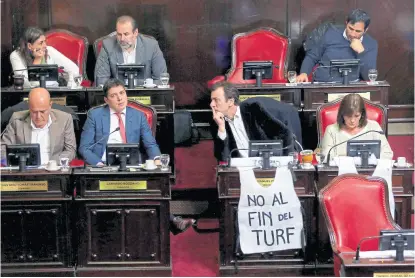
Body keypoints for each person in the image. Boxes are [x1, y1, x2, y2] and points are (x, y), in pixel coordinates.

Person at [79, 78, 194, 234]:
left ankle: (166, 223)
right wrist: (99, 165)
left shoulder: (138, 116)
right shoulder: (95, 115)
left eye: (122, 93)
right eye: (114, 95)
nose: (120, 98)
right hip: (103, 167)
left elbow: (150, 145)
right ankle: (172, 220)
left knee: (153, 187)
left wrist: (158, 160)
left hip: (131, 165)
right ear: (106, 99)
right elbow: (84, 148)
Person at [210, 81, 301, 162]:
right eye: (211, 100)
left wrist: (285, 164)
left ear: (230, 102)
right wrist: (221, 128)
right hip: (242, 171)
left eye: (216, 100)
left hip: (267, 165)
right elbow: (222, 158)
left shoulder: (253, 110)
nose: (212, 105)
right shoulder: (218, 121)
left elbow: (285, 134)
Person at [296, 9, 377, 83]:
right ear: (346, 23)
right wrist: (304, 73)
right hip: (324, 84)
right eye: (350, 28)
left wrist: (361, 52)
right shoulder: (330, 34)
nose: (353, 34)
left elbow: (368, 77)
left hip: (352, 88)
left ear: (365, 30)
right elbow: (312, 56)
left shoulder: (371, 44)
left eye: (358, 31)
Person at [1, 88, 77, 165]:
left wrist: (54, 164)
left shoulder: (65, 119)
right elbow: (2, 148)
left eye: (42, 111)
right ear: (29, 106)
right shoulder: (16, 119)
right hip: (25, 171)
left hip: (54, 171)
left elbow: (70, 150)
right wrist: (16, 162)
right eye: (34, 112)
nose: (38, 116)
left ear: (50, 105)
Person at [94, 15, 167, 86]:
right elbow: (101, 82)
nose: (122, 39)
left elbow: (161, 80)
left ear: (135, 33)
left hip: (144, 95)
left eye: (126, 34)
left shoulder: (151, 46)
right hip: (117, 95)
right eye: (119, 34)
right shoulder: (108, 45)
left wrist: (137, 85)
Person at [321, 93, 393, 160]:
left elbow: (387, 154)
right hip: (341, 172)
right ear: (342, 114)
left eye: (356, 116)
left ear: (362, 114)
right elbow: (325, 157)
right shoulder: (331, 130)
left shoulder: (374, 127)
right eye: (348, 116)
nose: (352, 120)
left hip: (370, 172)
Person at [10, 27, 80, 88]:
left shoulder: (49, 50)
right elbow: (27, 83)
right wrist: (38, 59)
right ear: (29, 46)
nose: (45, 45)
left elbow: (75, 70)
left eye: (45, 41)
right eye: (41, 43)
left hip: (54, 93)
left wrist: (69, 85)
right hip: (28, 96)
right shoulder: (16, 56)